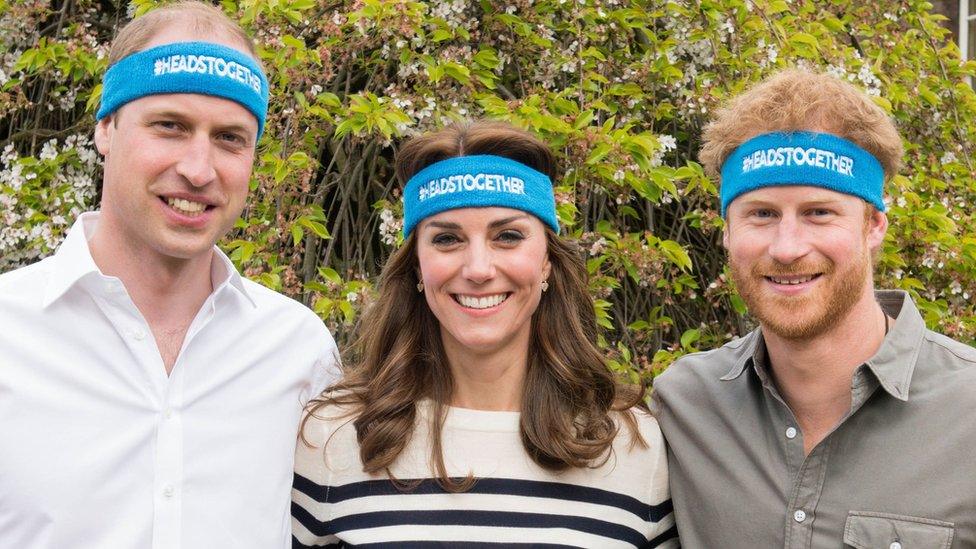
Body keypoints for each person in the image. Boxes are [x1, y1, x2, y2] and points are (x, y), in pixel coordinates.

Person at [0, 3, 339, 547]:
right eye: (170, 126)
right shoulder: (9, 333)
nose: (199, 169)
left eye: (230, 138)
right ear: (106, 128)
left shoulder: (299, 351)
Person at [291, 120, 677, 548]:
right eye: (447, 239)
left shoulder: (630, 447)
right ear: (417, 266)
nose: (478, 269)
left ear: (547, 261)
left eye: (508, 237)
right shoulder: (334, 437)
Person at [652, 68, 976, 547]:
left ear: (874, 226)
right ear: (726, 230)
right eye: (761, 214)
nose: (786, 248)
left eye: (818, 212)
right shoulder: (682, 406)